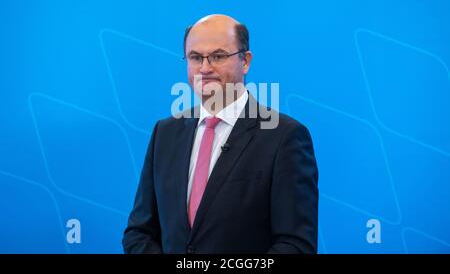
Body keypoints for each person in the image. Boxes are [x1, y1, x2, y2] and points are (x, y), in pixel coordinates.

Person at [122, 14, 319, 254]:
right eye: (195, 57)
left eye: (218, 56)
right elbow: (139, 233)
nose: (205, 68)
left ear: (245, 61)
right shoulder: (164, 133)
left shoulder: (284, 136)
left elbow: (295, 245)